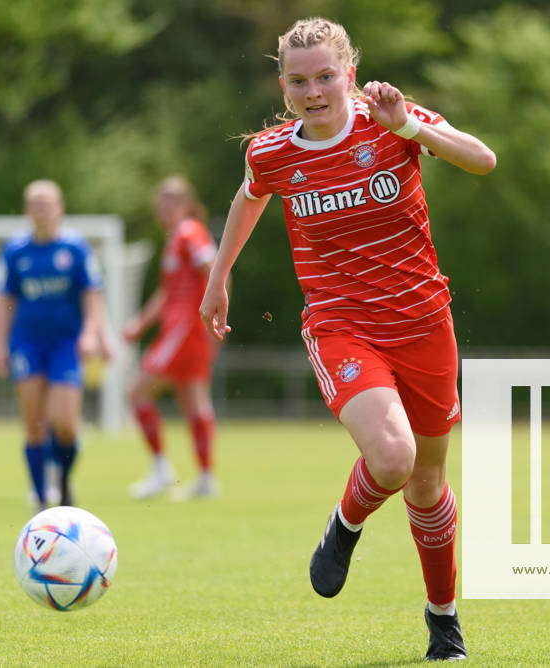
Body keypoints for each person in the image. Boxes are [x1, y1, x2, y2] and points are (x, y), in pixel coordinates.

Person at [199, 17, 495, 661]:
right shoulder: (272, 153)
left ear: (349, 74)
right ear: (283, 87)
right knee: (393, 458)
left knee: (426, 482)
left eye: (325, 76)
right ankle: (345, 526)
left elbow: (482, 159)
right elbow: (249, 198)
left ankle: (443, 620)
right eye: (299, 80)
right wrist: (219, 277)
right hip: (341, 325)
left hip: (423, 324)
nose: (314, 90)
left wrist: (408, 128)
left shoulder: (388, 120)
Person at [0, 179, 112, 512]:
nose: (41, 209)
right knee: (34, 423)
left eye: (47, 203)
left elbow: (92, 297)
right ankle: (41, 499)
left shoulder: (75, 248)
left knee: (65, 422)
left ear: (59, 208)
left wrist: (91, 333)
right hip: (27, 342)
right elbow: (3, 298)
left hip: (66, 343)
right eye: (34, 204)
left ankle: (64, 483)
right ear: (27, 210)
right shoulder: (15, 250)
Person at [124, 177, 220, 501]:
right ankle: (206, 478)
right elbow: (168, 293)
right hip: (181, 329)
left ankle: (161, 469)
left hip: (185, 329)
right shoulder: (176, 237)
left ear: (187, 204)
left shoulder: (189, 231)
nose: (164, 208)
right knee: (193, 400)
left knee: (137, 393)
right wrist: (141, 323)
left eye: (172, 201)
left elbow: (215, 268)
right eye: (161, 201)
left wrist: (217, 313)